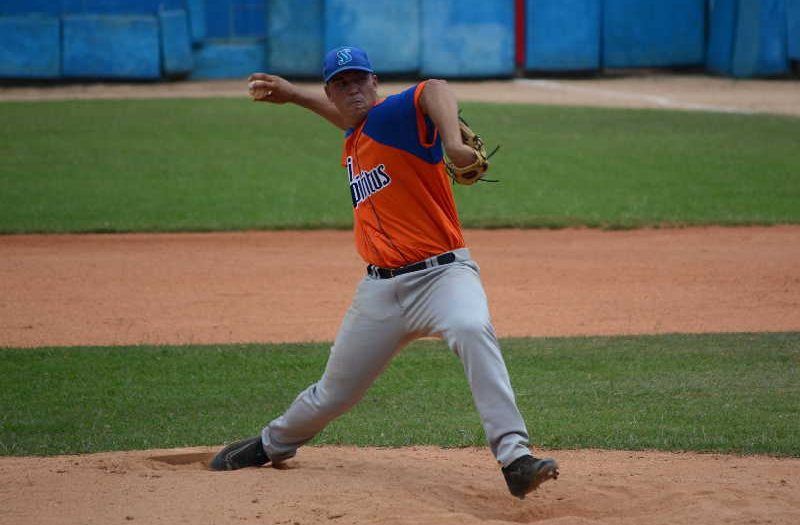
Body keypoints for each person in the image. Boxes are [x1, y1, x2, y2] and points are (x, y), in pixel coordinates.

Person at [209, 46, 558, 499]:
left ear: (375, 84)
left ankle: (515, 459)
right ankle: (270, 443)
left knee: (471, 328)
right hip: (379, 293)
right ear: (331, 92)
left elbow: (434, 88)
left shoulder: (394, 116)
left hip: (442, 278)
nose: (353, 90)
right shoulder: (358, 133)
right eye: (342, 84)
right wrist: (295, 96)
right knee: (334, 393)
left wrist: (451, 141)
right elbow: (348, 118)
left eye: (360, 81)